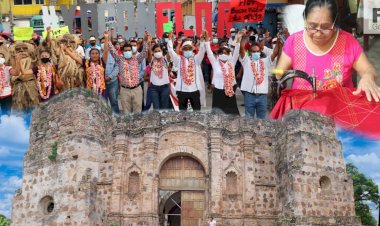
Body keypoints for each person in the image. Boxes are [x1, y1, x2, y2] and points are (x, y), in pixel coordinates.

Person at [275, 0, 380, 102]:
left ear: (335, 23)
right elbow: (279, 72)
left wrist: (368, 77)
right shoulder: (294, 41)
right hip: (301, 109)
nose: (318, 33)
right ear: (305, 20)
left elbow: (368, 69)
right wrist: (275, 70)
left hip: (339, 107)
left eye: (325, 27)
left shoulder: (348, 42)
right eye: (312, 26)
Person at [104, 31, 151, 113]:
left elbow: (144, 51)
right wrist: (107, 38)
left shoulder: (137, 59)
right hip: (124, 90)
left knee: (137, 112)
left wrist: (146, 40)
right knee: (127, 113)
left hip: (137, 89)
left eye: (129, 50)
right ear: (122, 52)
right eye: (125, 51)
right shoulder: (120, 60)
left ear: (132, 51)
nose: (127, 52)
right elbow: (111, 50)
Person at [239, 31, 281, 119]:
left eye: (258, 51)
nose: (256, 53)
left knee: (262, 120)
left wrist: (278, 41)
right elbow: (242, 49)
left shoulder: (265, 61)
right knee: (249, 120)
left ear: (260, 52)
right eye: (254, 51)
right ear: (250, 52)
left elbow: (275, 53)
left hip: (262, 96)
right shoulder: (246, 61)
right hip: (249, 95)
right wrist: (243, 37)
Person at [167, 31, 206, 111]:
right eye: (185, 49)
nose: (187, 50)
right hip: (182, 91)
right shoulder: (178, 60)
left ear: (192, 49)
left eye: (189, 48)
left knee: (197, 111)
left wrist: (202, 41)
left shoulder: (196, 59)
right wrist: (170, 40)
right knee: (182, 112)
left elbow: (202, 51)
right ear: (182, 50)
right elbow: (171, 51)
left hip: (194, 90)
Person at [205, 30, 241, 115]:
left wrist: (238, 41)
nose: (223, 54)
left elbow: (236, 53)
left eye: (225, 53)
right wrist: (207, 41)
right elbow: (209, 53)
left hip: (229, 90)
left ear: (229, 54)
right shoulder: (215, 62)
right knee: (217, 114)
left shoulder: (231, 63)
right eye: (221, 52)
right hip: (218, 91)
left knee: (231, 114)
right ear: (218, 54)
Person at [10, 42, 40, 111]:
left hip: (31, 86)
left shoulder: (33, 60)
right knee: (19, 108)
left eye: (24, 48)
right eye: (18, 49)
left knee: (33, 106)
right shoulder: (12, 62)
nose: (21, 50)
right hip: (18, 87)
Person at [145, 44, 170, 110]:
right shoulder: (152, 61)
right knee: (156, 107)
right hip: (154, 89)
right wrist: (149, 43)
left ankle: (163, 120)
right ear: (153, 52)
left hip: (165, 88)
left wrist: (170, 41)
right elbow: (149, 56)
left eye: (159, 51)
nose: (157, 52)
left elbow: (170, 53)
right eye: (155, 51)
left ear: (162, 51)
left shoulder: (165, 59)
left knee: (164, 107)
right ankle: (158, 119)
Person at [0, 50, 12, 115]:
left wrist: (18, 62)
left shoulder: (8, 68)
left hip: (7, 93)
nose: (0, 59)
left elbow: (16, 72)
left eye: (2, 57)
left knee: (7, 112)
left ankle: (8, 123)